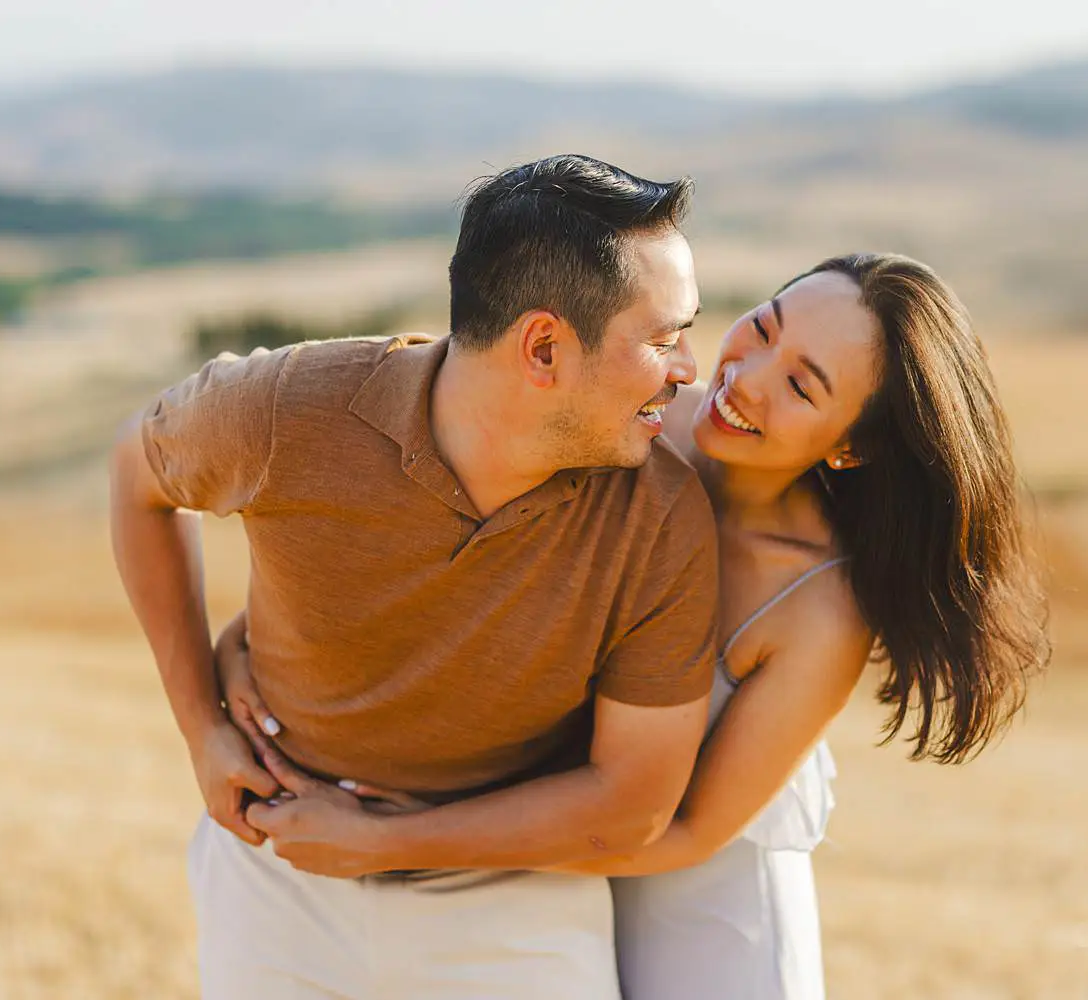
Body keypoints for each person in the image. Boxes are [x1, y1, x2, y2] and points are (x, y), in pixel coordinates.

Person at [218, 252, 1051, 999]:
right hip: (552, 861)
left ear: (850, 449)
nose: (748, 377)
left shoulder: (816, 605)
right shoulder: (627, 425)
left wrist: (393, 842)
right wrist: (250, 646)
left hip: (699, 901)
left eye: (802, 386)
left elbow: (688, 830)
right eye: (762, 327)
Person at [109, 154, 722, 1000]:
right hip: (277, 869)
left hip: (516, 887)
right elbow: (136, 475)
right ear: (543, 347)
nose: (689, 368)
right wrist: (201, 729)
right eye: (662, 339)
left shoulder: (660, 515)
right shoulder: (286, 411)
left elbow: (632, 803)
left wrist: (386, 843)